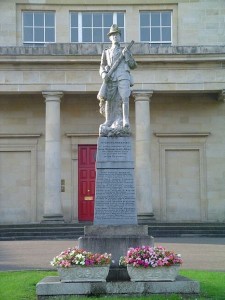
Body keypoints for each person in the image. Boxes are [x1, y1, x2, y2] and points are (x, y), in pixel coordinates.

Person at [97, 24, 137, 136]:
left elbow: (133, 65)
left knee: (124, 97)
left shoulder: (125, 51)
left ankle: (125, 120)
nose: (115, 37)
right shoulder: (106, 52)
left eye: (117, 35)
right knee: (109, 99)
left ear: (120, 37)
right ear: (110, 37)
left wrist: (127, 56)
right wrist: (104, 73)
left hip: (123, 75)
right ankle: (108, 121)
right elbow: (102, 65)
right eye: (113, 35)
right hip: (111, 77)